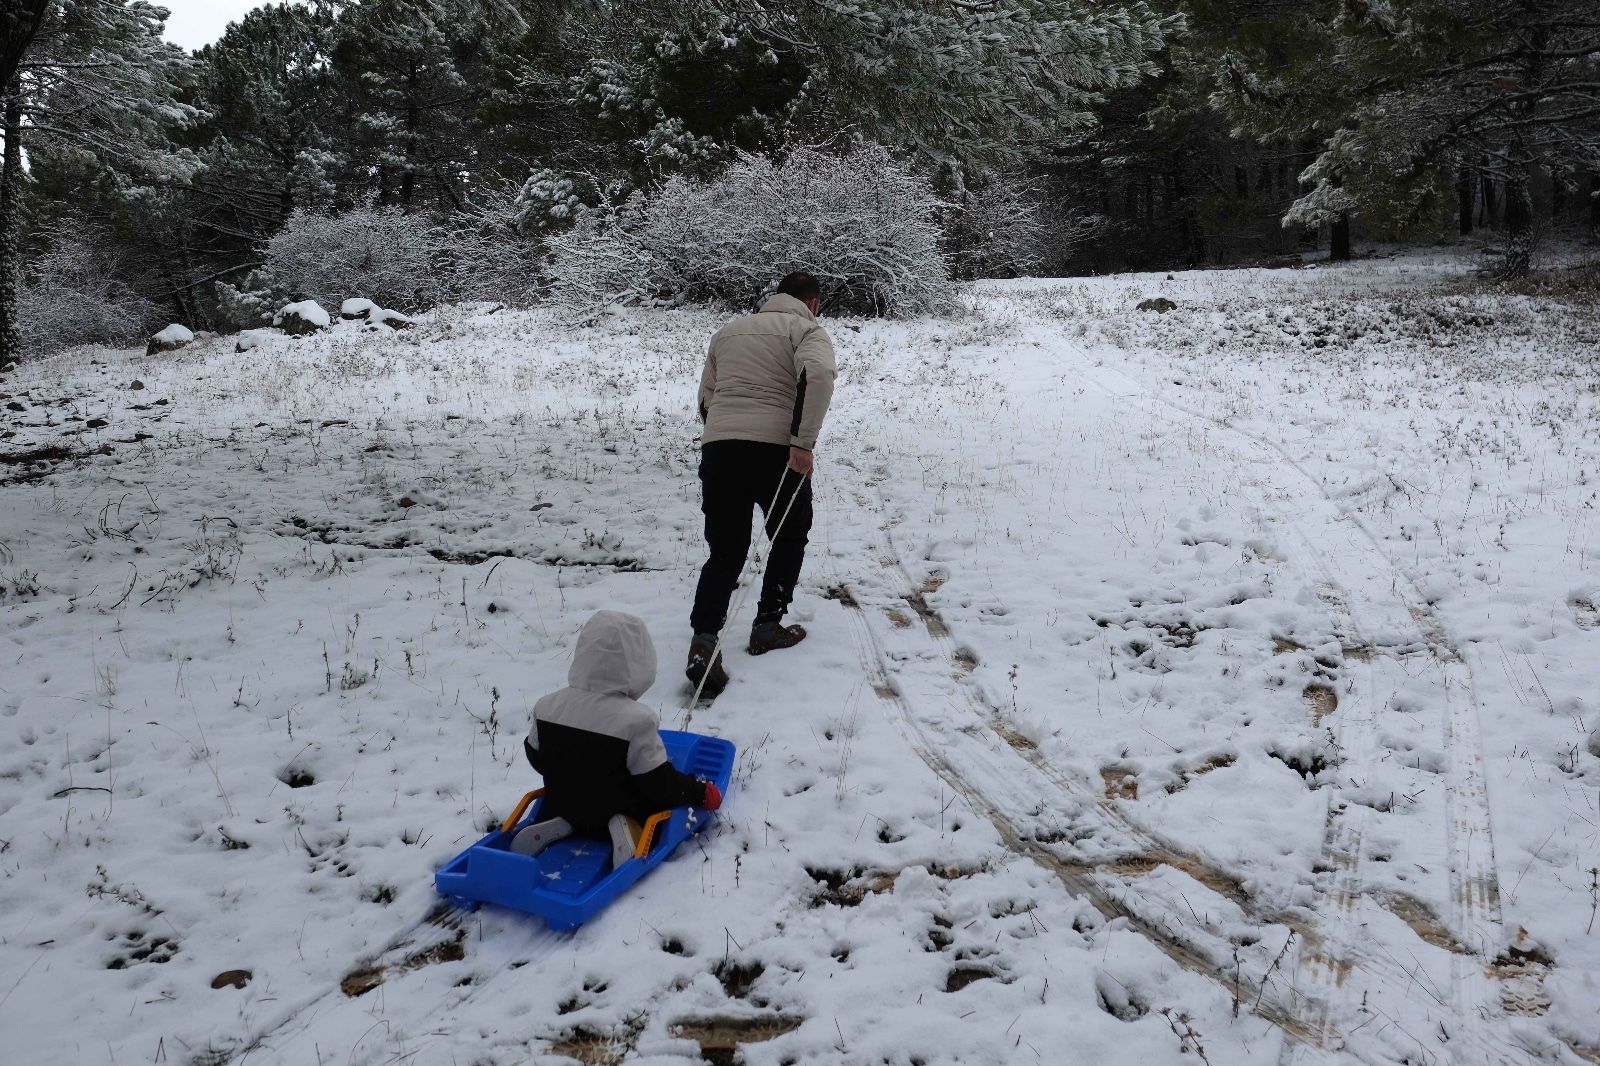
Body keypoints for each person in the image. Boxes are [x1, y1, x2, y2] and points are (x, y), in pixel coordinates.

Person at [687, 271, 837, 696]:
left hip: (721, 448)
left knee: (726, 549)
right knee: (789, 537)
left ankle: (703, 641)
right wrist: (802, 443)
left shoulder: (728, 332)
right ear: (812, 302)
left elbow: (707, 395)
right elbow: (820, 377)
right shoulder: (807, 329)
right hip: (776, 451)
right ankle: (767, 626)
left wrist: (722, 435)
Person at [516, 610, 722, 866]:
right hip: (620, 808)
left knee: (569, 793)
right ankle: (629, 832)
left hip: (566, 801)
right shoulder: (637, 721)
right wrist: (698, 792)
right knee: (651, 807)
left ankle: (563, 820)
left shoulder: (547, 706)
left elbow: (537, 758)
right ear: (640, 665)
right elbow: (658, 783)